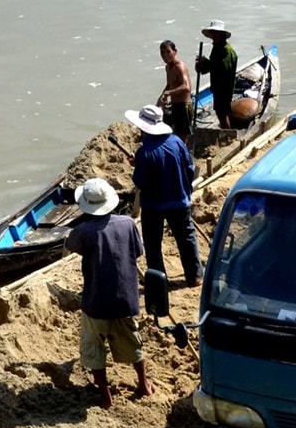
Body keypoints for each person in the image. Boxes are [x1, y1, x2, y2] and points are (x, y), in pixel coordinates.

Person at [64, 178, 151, 409]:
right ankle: (143, 384)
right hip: (126, 300)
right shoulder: (128, 224)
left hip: (96, 303)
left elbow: (71, 246)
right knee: (133, 343)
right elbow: (137, 253)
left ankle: (106, 396)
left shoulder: (82, 232)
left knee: (94, 349)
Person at [126, 103, 201, 286]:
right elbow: (189, 169)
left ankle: (159, 280)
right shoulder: (177, 142)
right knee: (186, 237)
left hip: (154, 205)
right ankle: (195, 276)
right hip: (180, 200)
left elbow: (140, 182)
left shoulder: (144, 152)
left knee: (153, 244)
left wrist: (138, 166)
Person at [195, 21, 237, 129]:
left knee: (221, 113)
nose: (214, 36)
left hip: (224, 88)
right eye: (212, 33)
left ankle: (228, 134)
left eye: (216, 33)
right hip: (218, 87)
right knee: (221, 112)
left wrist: (207, 62)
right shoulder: (217, 47)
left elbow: (222, 70)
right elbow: (213, 67)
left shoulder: (226, 50)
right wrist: (202, 65)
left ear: (222, 35)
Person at [156, 40, 193, 141]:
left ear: (175, 51)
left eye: (168, 52)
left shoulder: (179, 67)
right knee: (174, 134)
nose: (165, 55)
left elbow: (186, 87)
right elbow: (170, 84)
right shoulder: (168, 67)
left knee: (182, 137)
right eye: (162, 52)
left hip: (183, 106)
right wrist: (162, 96)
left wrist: (169, 93)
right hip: (175, 105)